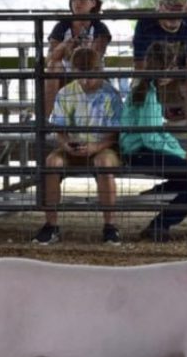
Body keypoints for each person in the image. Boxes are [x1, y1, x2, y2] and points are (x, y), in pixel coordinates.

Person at [120, 41, 187, 242]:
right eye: (169, 67)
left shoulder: (148, 88)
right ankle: (160, 225)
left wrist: (183, 152)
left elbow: (157, 134)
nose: (171, 72)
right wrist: (185, 154)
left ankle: (161, 191)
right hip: (140, 152)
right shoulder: (146, 93)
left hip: (145, 149)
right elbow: (151, 138)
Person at [32, 47, 123, 245]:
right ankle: (51, 224)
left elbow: (115, 135)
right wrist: (66, 144)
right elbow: (60, 130)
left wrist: (96, 146)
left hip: (103, 146)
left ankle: (110, 225)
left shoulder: (111, 94)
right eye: (81, 75)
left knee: (105, 163)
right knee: (51, 163)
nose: (85, 81)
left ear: (99, 70)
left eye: (90, 75)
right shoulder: (65, 93)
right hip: (74, 145)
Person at [132, 0, 187, 130]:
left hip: (182, 75)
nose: (174, 15)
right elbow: (139, 64)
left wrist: (174, 74)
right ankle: (142, 132)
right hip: (151, 73)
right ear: (160, 5)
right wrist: (155, 74)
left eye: (179, 9)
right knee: (137, 85)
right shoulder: (145, 24)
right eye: (170, 8)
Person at [43, 0, 112, 117]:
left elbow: (96, 57)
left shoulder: (100, 27)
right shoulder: (62, 26)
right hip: (64, 75)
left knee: (90, 66)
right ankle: (45, 120)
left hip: (90, 73)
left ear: (93, 2)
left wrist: (84, 50)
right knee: (53, 66)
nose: (77, 3)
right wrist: (64, 46)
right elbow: (50, 58)